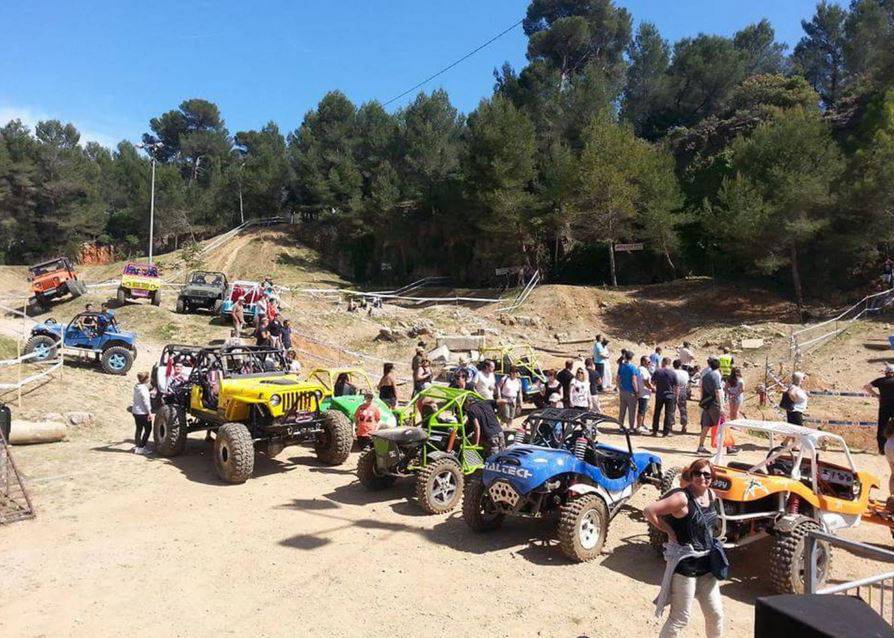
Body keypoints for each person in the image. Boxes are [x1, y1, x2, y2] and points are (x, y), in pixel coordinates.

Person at [644, 459, 724, 638]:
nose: (702, 478)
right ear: (692, 475)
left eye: (707, 474)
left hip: (706, 565)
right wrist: (669, 531)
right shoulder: (682, 498)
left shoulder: (711, 495)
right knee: (680, 618)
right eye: (698, 473)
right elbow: (649, 510)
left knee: (716, 614)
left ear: (712, 477)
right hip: (686, 566)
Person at [864, 364, 894, 454]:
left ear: (886, 373)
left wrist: (876, 395)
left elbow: (866, 387)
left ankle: (882, 450)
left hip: (884, 407)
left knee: (882, 427)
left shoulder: (880, 380)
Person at [697, 357, 725, 455]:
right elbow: (717, 391)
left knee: (706, 426)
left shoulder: (706, 375)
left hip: (706, 403)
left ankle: (701, 446)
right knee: (721, 425)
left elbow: (701, 389)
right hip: (714, 403)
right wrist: (721, 406)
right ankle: (724, 448)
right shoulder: (716, 375)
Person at [652, 357, 678, 437]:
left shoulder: (658, 371)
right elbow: (676, 386)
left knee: (657, 413)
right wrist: (676, 395)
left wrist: (656, 387)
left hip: (659, 394)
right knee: (668, 414)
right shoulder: (673, 373)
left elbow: (652, 382)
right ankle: (666, 432)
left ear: (663, 362)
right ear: (669, 363)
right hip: (670, 395)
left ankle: (655, 430)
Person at [618, 351, 640, 431]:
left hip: (623, 390)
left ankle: (620, 426)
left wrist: (619, 387)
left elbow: (618, 378)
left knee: (622, 410)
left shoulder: (622, 366)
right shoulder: (632, 367)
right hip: (630, 391)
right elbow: (634, 381)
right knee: (632, 411)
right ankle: (631, 428)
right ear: (631, 357)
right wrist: (637, 391)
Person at [132, 372, 153, 455]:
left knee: (139, 429)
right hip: (143, 412)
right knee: (148, 429)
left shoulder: (137, 386)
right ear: (146, 379)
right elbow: (146, 402)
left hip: (135, 411)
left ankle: (137, 446)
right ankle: (142, 447)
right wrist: (150, 413)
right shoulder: (144, 389)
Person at [637, 355, 655, 433]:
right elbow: (646, 382)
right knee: (641, 410)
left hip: (645, 393)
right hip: (643, 393)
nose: (649, 363)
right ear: (643, 362)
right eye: (648, 362)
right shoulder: (642, 369)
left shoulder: (643, 369)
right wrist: (653, 388)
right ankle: (639, 426)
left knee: (643, 410)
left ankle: (641, 424)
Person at [673, 360, 690, 433]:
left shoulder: (672, 372)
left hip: (673, 390)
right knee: (683, 408)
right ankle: (684, 425)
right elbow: (687, 383)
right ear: (680, 365)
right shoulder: (685, 373)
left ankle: (670, 425)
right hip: (683, 389)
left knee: (671, 409)